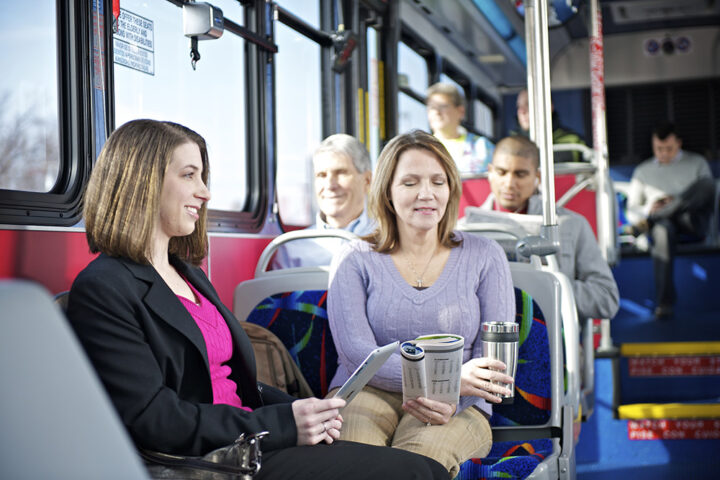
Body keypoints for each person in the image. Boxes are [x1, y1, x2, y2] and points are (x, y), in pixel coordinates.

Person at [66, 119, 449, 480]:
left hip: (252, 438)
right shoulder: (104, 288)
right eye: (188, 176)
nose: (205, 191)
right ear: (142, 183)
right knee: (415, 473)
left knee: (425, 468)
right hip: (213, 459)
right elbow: (154, 418)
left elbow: (234, 382)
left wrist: (303, 411)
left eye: (202, 176)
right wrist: (285, 424)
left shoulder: (188, 274)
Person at [327, 129, 516, 478]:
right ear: (387, 191)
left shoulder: (485, 256)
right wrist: (445, 379)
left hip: (459, 403)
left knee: (416, 465)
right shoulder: (354, 258)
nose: (426, 194)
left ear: (451, 189)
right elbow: (357, 355)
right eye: (410, 182)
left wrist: (451, 391)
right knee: (351, 464)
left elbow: (494, 364)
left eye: (437, 181)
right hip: (368, 393)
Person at [467, 135, 619, 321]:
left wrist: (547, 288)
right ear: (490, 172)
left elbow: (606, 299)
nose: (509, 183)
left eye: (520, 174)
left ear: (537, 177)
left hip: (551, 336)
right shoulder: (466, 230)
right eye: (501, 172)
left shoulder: (570, 225)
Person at [625, 122, 715, 319]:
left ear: (679, 144)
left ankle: (663, 213)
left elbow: (705, 196)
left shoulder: (696, 162)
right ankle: (664, 303)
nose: (663, 153)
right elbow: (632, 209)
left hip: (690, 220)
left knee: (706, 185)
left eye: (669, 149)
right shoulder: (643, 171)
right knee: (662, 230)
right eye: (658, 149)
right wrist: (650, 208)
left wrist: (675, 202)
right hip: (662, 226)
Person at [272, 134, 374, 269]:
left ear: (367, 180)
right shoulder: (292, 249)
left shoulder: (391, 241)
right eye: (321, 175)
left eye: (341, 173)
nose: (330, 185)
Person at [426, 82, 494, 175]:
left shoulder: (482, 147)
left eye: (443, 106)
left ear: (460, 111)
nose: (437, 112)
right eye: (432, 107)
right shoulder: (423, 148)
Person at [513, 88, 586, 163]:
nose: (521, 111)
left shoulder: (574, 141)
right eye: (518, 106)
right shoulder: (512, 144)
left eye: (528, 104)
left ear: (549, 106)